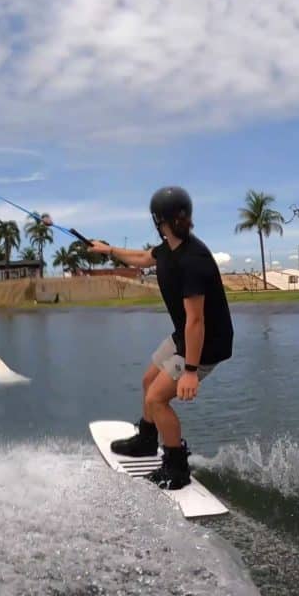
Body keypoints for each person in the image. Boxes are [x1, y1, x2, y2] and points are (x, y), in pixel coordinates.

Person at [88, 186, 233, 489]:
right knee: (147, 381)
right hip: (185, 335)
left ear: (158, 219)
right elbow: (142, 256)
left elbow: (197, 321)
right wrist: (109, 249)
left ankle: (176, 466)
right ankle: (145, 440)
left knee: (157, 398)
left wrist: (191, 372)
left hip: (204, 344)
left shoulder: (194, 259)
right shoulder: (168, 248)